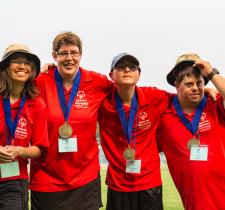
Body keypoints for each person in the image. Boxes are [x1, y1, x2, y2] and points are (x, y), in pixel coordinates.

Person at [29, 31, 112, 210]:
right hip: (46, 179)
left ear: (80, 55)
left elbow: (125, 93)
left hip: (85, 178)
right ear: (54, 55)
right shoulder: (39, 81)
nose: (69, 58)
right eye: (63, 53)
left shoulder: (97, 82)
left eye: (74, 52)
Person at [98, 53, 171, 210]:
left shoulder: (154, 96)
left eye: (132, 67)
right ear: (111, 75)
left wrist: (204, 90)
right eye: (120, 66)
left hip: (149, 183)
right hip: (118, 184)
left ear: (139, 74)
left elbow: (183, 98)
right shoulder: (101, 102)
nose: (126, 69)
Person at [157, 53, 225, 210]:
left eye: (199, 83)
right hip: (194, 202)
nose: (195, 88)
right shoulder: (164, 113)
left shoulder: (214, 104)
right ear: (176, 85)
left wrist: (211, 73)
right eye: (189, 84)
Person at [0, 44, 49, 210]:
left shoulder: (37, 104)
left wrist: (19, 151)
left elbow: (40, 149)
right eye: (16, 61)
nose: (22, 66)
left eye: (27, 63)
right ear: (6, 67)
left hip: (13, 182)